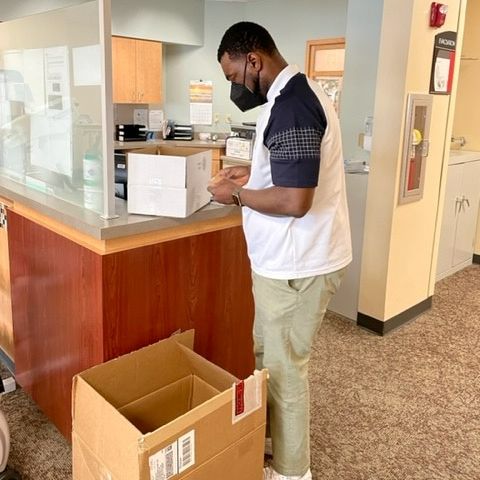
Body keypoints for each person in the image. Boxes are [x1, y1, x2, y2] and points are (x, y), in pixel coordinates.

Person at [209, 22, 352, 480]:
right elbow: (288, 172)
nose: (234, 87)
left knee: (285, 370)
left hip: (298, 264)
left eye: (234, 77)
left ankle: (292, 473)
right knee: (266, 358)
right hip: (283, 264)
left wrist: (235, 196)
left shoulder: (292, 106)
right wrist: (251, 172)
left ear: (254, 60)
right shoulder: (292, 97)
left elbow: (295, 200)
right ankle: (267, 441)